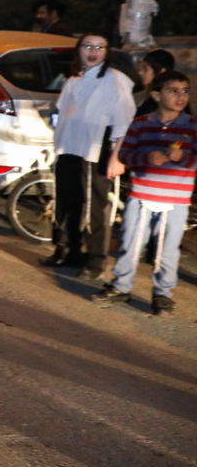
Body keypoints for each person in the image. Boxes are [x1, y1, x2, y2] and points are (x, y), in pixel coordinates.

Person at [93, 72, 194, 314]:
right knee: (130, 243)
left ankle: (162, 293)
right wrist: (146, 158)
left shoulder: (192, 127)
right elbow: (126, 155)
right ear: (156, 94)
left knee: (168, 249)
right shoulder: (141, 123)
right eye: (173, 90)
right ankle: (121, 286)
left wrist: (185, 159)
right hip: (142, 195)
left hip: (176, 199)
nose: (180, 96)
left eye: (185, 91)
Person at [41, 33, 135, 275]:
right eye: (88, 46)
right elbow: (61, 111)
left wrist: (117, 157)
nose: (93, 51)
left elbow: (124, 121)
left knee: (95, 206)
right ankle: (66, 249)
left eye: (100, 47)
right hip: (68, 148)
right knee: (66, 201)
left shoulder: (115, 80)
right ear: (79, 49)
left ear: (107, 52)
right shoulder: (74, 79)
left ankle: (96, 259)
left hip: (96, 150)